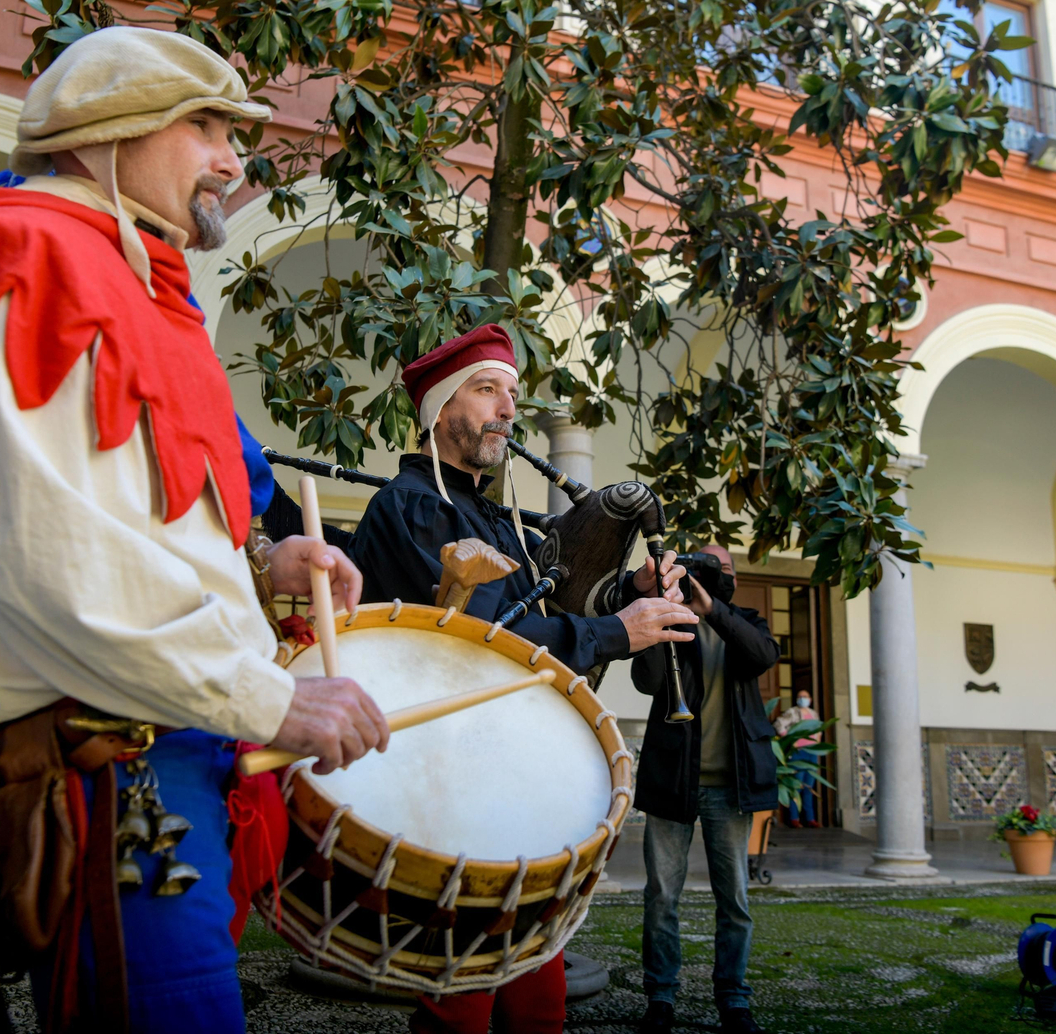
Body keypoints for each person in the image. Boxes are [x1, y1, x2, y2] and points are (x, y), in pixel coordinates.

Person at [0, 27, 389, 1033]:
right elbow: (41, 560)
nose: (233, 159)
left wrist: (264, 564)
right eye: (208, 124)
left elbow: (130, 524)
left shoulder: (125, 279)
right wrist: (267, 697)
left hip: (165, 749)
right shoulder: (13, 256)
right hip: (111, 761)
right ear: (104, 133)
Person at [348, 323, 698, 1034]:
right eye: (486, 390)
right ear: (439, 410)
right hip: (446, 787)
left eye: (512, 393)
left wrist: (630, 591)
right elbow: (483, 641)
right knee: (462, 1001)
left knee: (538, 1001)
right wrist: (614, 631)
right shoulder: (412, 508)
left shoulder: (494, 516)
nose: (507, 408)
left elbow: (546, 612)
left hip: (512, 778)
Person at [631, 543, 780, 1034]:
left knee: (734, 900)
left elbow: (761, 657)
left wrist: (714, 610)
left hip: (731, 785)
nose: (717, 575)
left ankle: (734, 1001)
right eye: (706, 567)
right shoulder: (670, 622)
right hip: (674, 779)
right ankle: (660, 998)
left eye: (726, 569)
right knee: (661, 897)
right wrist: (667, 611)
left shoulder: (748, 622)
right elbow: (646, 682)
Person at [774, 689, 822, 828]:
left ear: (810, 699)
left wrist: (818, 740)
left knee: (809, 786)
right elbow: (778, 724)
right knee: (796, 785)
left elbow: (819, 728)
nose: (803, 698)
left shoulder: (814, 714)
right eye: (800, 696)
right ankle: (794, 818)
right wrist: (788, 739)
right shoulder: (792, 712)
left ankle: (810, 818)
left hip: (812, 752)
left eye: (805, 696)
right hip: (798, 752)